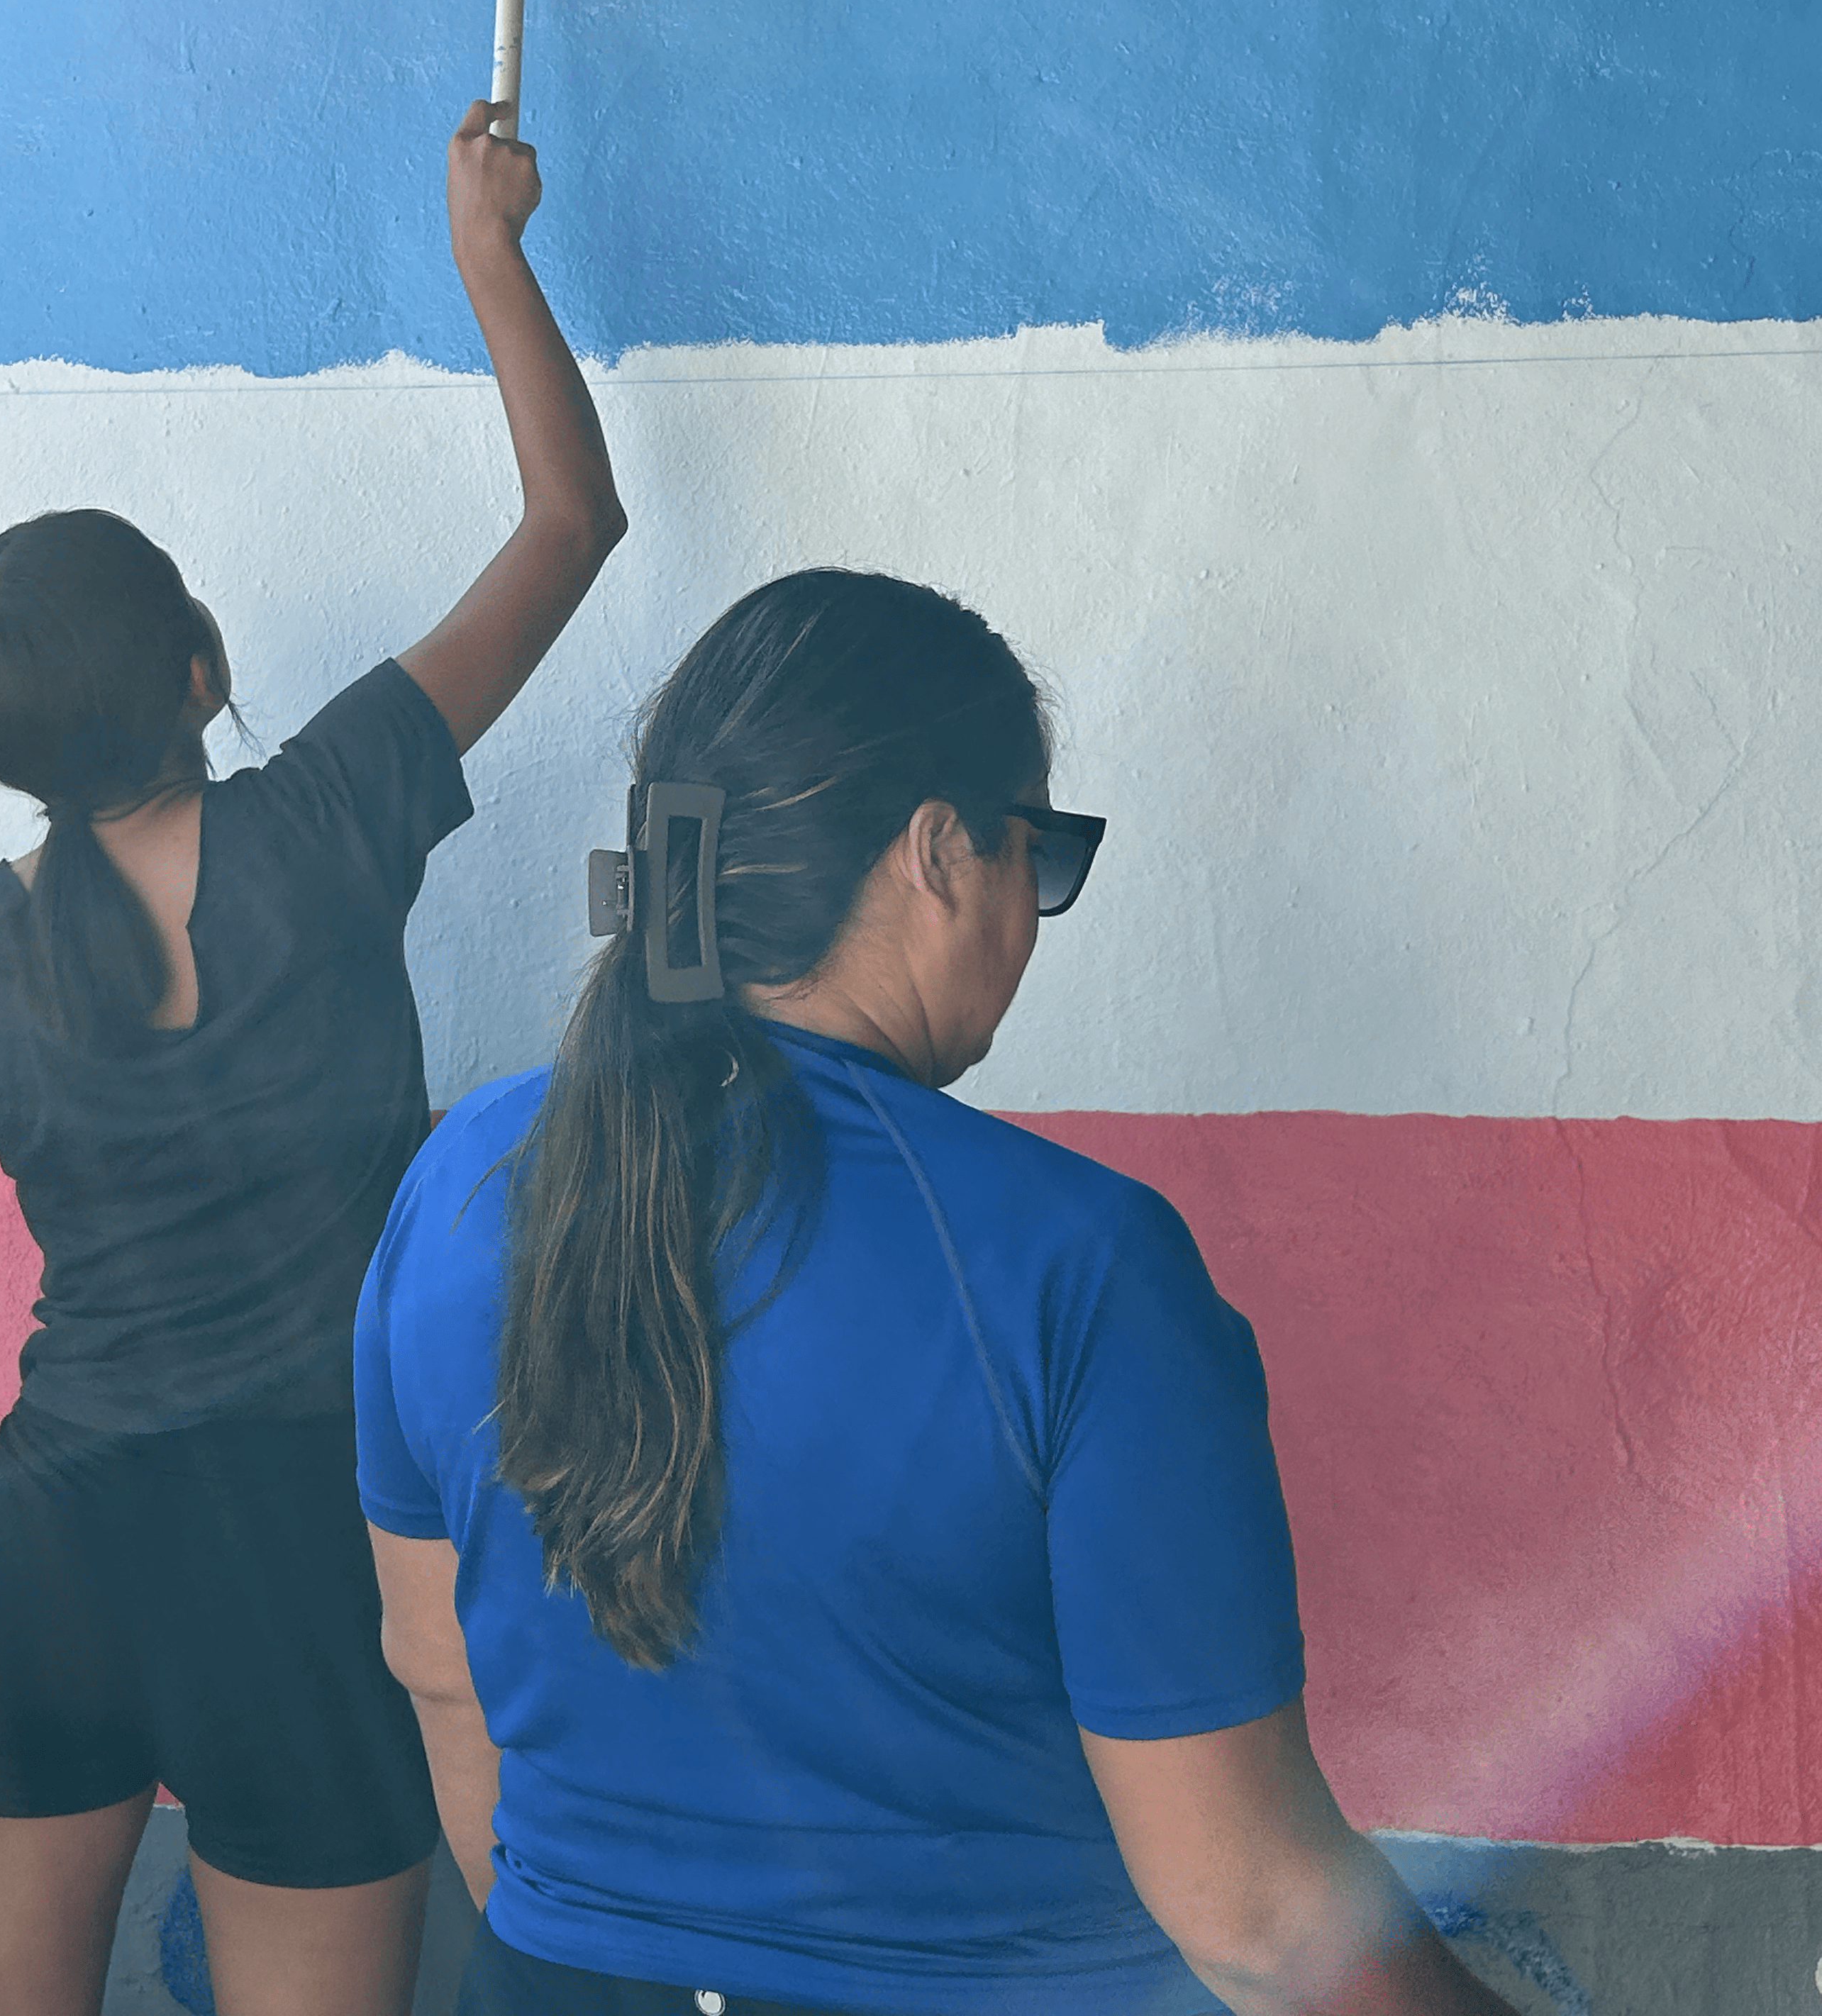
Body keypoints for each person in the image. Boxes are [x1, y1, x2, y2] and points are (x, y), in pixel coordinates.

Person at [0, 100, 625, 2016]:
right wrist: (488, 253)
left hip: (43, 1555)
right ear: (202, 669)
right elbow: (573, 523)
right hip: (303, 1568)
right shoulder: (335, 816)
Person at [355, 569, 1514, 2016]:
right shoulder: (1080, 1266)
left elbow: (440, 1671)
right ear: (938, 855)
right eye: (1041, 852)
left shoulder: (457, 1185)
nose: (1036, 909)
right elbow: (1256, 1913)